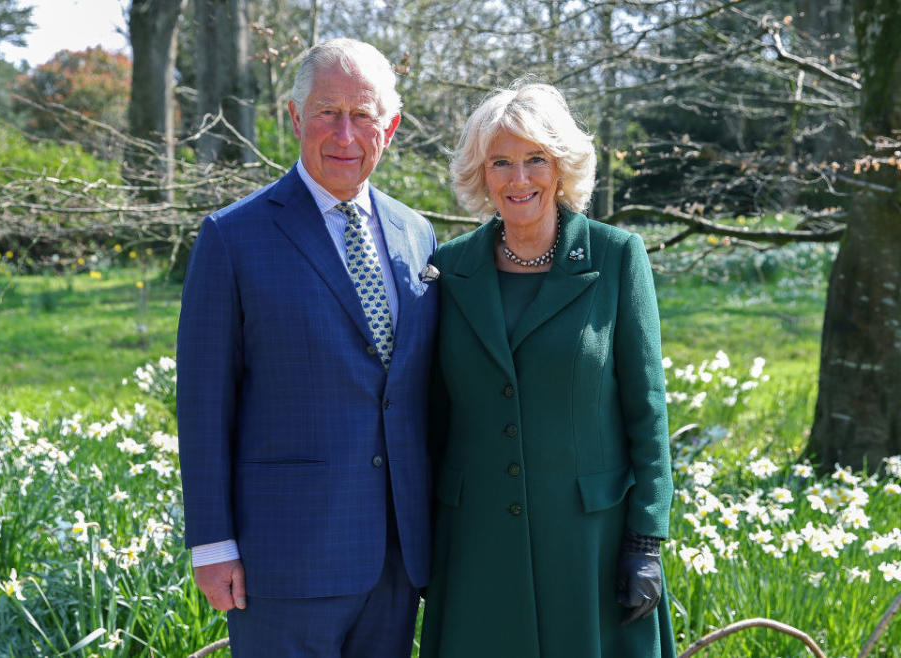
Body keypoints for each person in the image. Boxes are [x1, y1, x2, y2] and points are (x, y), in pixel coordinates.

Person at [176, 38, 438, 657]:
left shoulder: (417, 234)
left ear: (390, 128)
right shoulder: (232, 237)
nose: (344, 133)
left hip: (398, 560)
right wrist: (212, 545)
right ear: (294, 118)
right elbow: (203, 403)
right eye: (326, 112)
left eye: (363, 114)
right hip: (285, 560)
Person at [419, 82, 677, 657]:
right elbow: (432, 417)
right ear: (481, 175)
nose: (519, 179)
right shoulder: (447, 270)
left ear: (561, 166)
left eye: (536, 159)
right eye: (501, 163)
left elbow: (648, 408)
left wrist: (646, 539)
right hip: (476, 541)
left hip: (592, 541)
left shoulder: (615, 257)